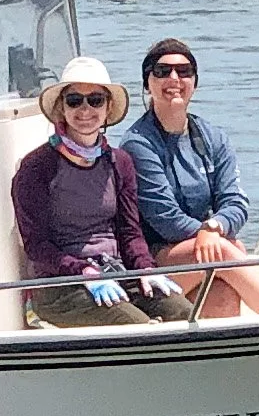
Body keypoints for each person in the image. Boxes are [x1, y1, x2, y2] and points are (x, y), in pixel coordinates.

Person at [10, 55, 194, 328]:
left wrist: (145, 269)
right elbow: (37, 246)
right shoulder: (37, 167)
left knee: (182, 312)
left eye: (95, 100)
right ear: (62, 107)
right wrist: (83, 271)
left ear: (108, 108)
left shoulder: (120, 163)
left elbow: (130, 233)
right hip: (61, 286)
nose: (85, 110)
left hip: (116, 273)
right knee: (139, 327)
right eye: (74, 100)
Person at [121, 38, 259, 318]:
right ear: (147, 84)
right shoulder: (137, 144)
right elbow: (165, 219)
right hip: (154, 261)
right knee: (225, 252)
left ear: (195, 83)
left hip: (199, 253)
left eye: (184, 71)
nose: (174, 78)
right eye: (162, 71)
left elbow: (235, 202)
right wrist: (212, 238)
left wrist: (215, 226)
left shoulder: (214, 137)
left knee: (223, 291)